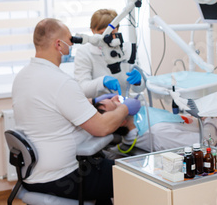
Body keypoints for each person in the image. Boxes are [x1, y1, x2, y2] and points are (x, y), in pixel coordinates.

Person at [12, 18, 141, 204]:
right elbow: (102, 128)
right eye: (69, 40)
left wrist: (93, 101)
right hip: (63, 177)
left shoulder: (23, 76)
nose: (72, 44)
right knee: (136, 177)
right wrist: (125, 108)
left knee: (103, 173)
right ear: (58, 44)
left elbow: (52, 107)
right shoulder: (60, 82)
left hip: (32, 175)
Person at [94, 94, 217, 153]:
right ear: (122, 120)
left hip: (208, 124)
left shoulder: (140, 118)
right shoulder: (157, 133)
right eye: (114, 102)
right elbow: (208, 144)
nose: (118, 98)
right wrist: (211, 117)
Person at [74, 9, 145, 99]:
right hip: (98, 107)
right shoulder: (84, 52)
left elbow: (139, 89)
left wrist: (138, 82)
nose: (108, 39)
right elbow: (82, 89)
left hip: (123, 103)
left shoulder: (127, 49)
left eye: (112, 33)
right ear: (92, 31)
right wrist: (102, 82)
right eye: (102, 33)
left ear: (118, 29)